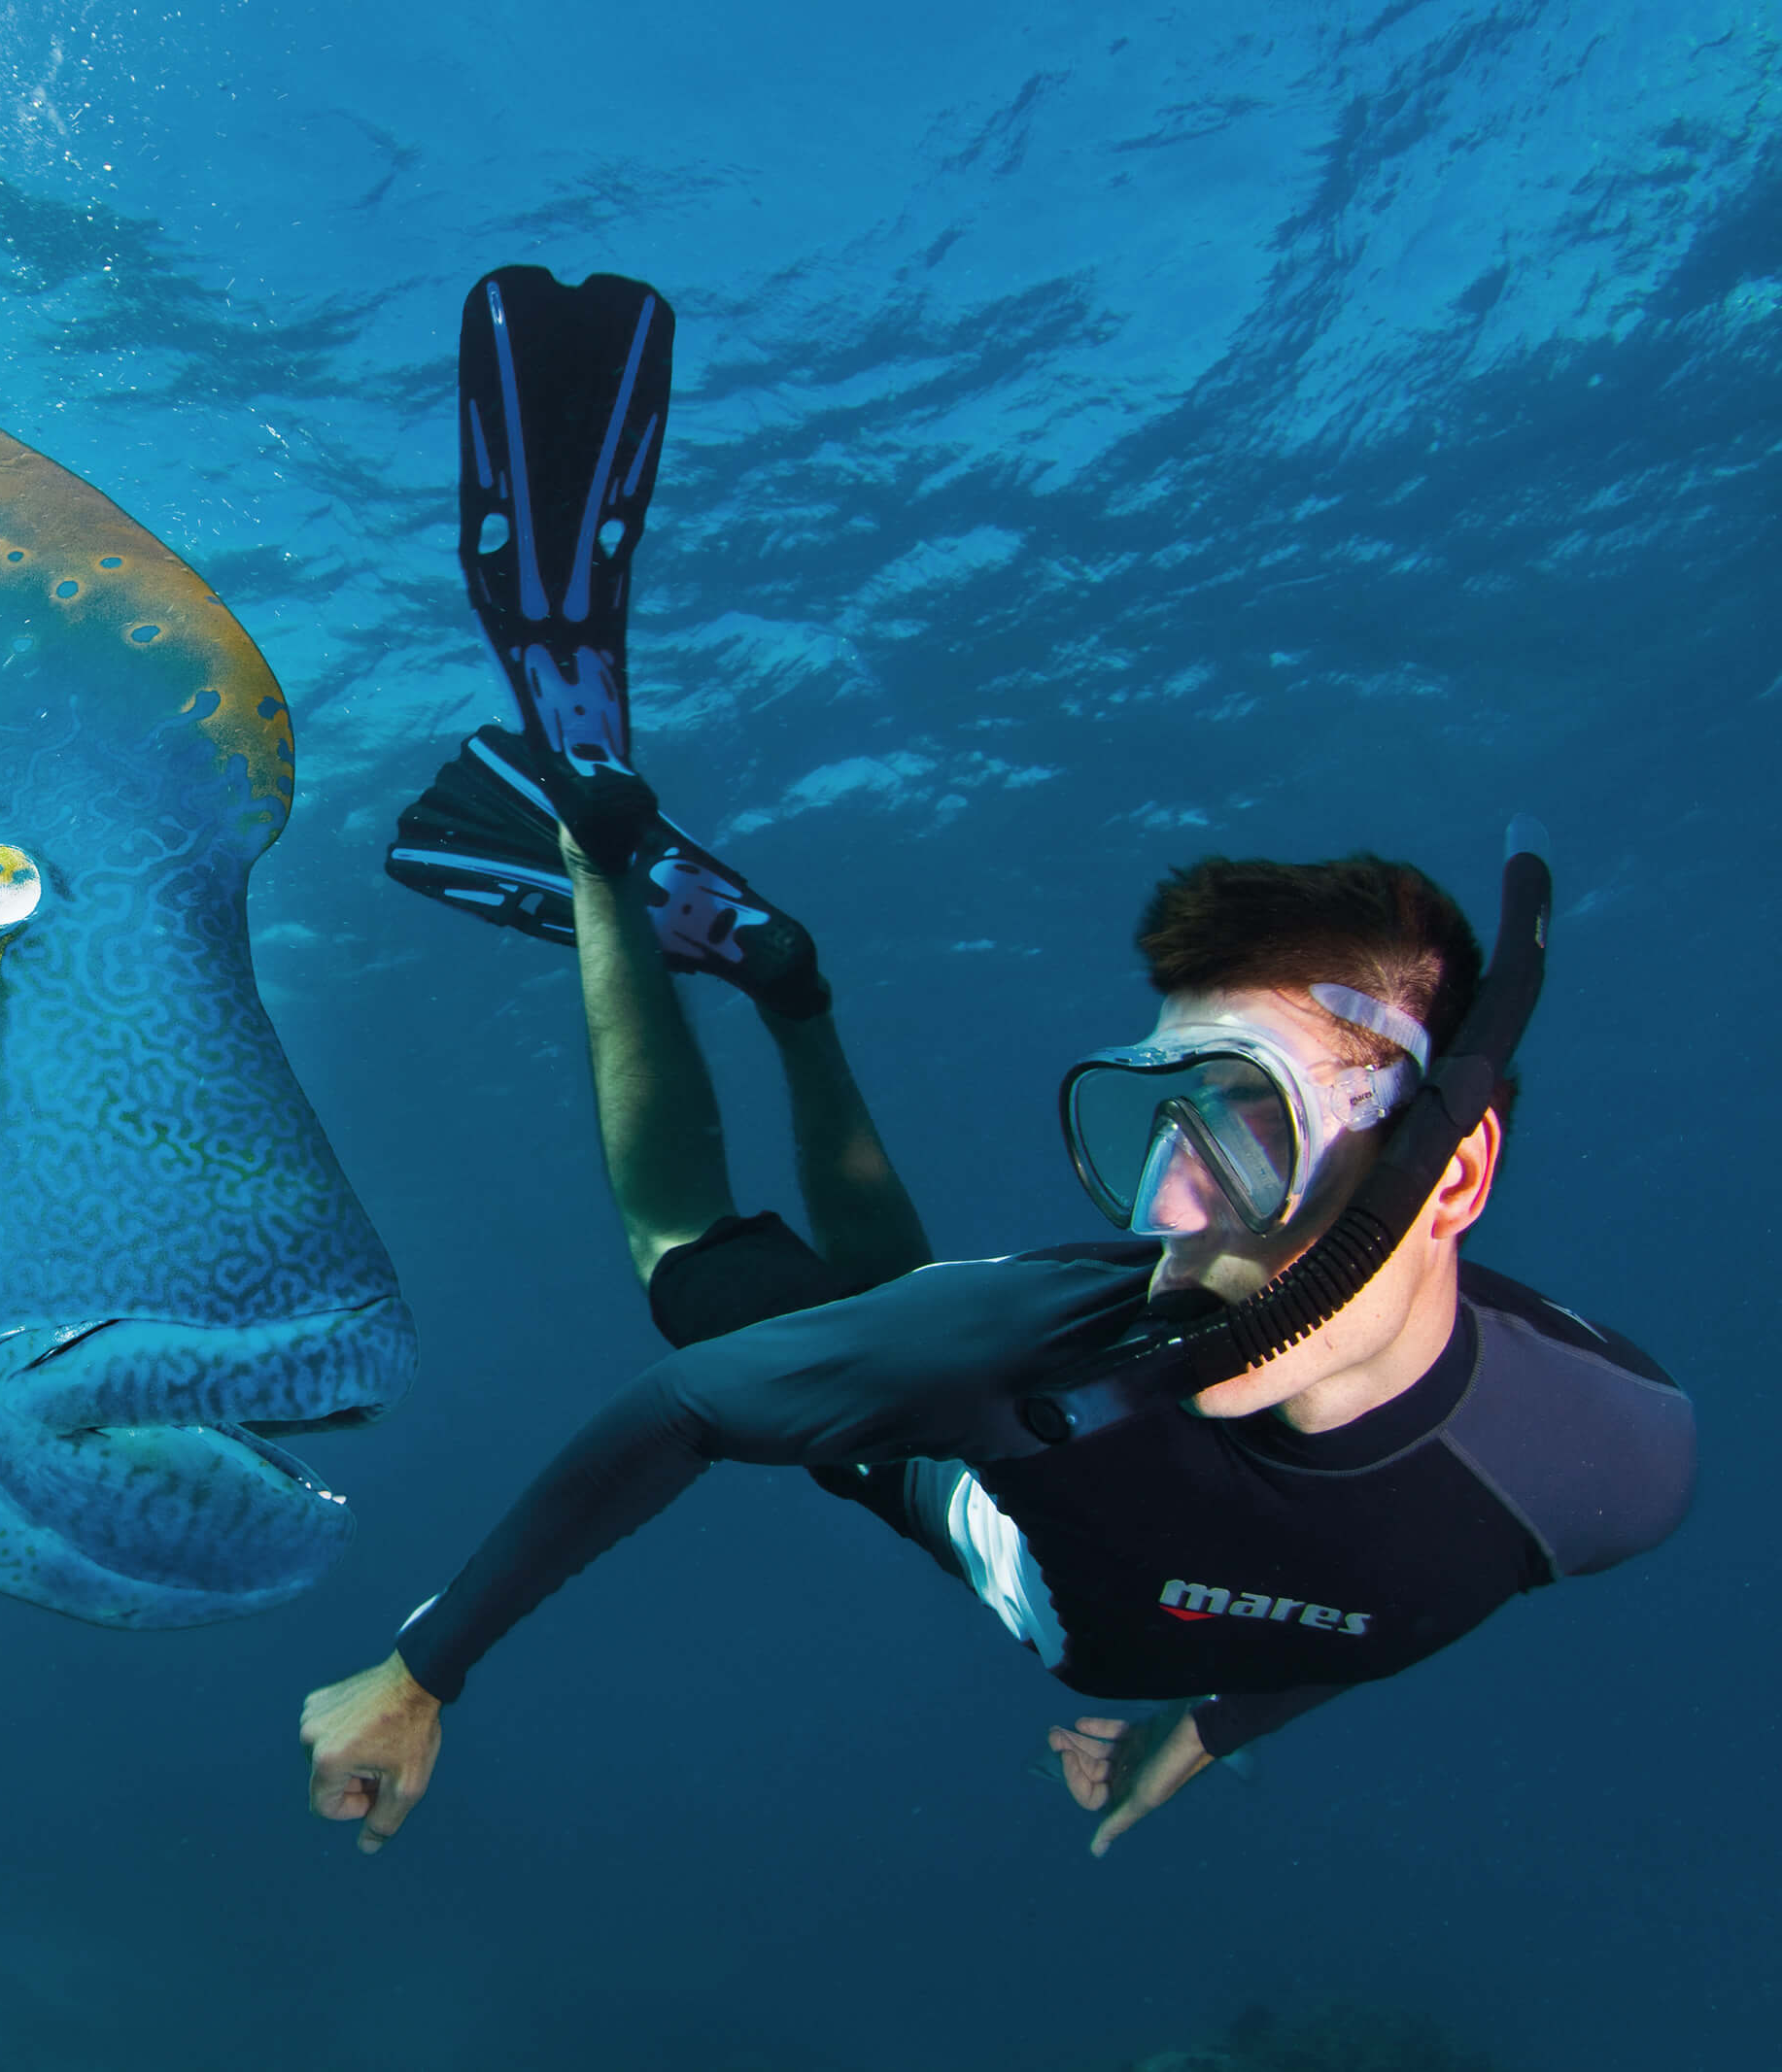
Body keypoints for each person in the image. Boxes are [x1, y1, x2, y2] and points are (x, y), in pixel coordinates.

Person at [307, 266, 1696, 1859]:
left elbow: (1422, 1580)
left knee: (903, 1325)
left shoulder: (1617, 1460)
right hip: (962, 1434)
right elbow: (676, 1406)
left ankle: (782, 979)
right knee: (697, 1275)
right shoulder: (1064, 1331)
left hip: (996, 1436)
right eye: (1144, 1112)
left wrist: (1212, 1723)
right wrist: (423, 1671)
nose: (1169, 1208)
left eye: (1246, 1114)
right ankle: (598, 849)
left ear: (1452, 1169)